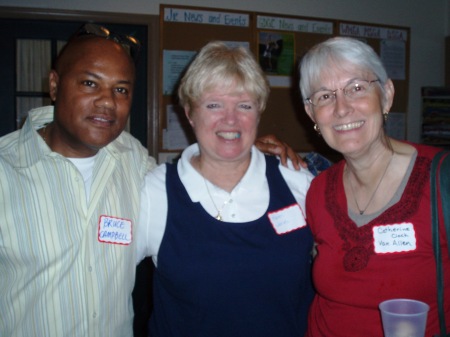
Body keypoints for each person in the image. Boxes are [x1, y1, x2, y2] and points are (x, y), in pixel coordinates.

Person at [0, 23, 304, 337]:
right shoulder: (4, 169)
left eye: (120, 89)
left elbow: (209, 166)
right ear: (54, 85)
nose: (107, 101)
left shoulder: (134, 163)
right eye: (90, 83)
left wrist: (237, 150)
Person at [137, 41, 315, 337]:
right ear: (190, 113)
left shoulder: (298, 182)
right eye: (214, 104)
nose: (230, 119)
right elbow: (104, 281)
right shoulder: (154, 193)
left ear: (258, 112)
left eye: (244, 105)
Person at [299, 36, 450, 337]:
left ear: (387, 95)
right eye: (325, 96)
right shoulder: (317, 190)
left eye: (356, 88)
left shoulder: (442, 180)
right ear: (311, 113)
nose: (342, 109)